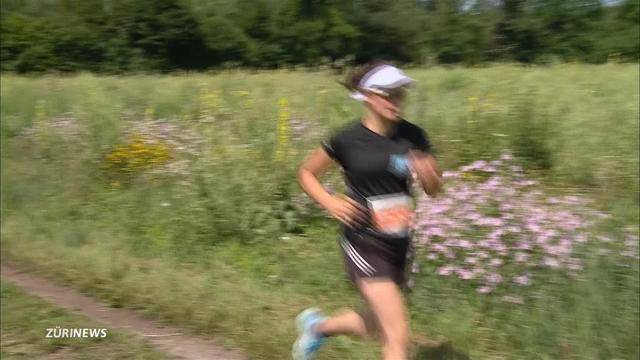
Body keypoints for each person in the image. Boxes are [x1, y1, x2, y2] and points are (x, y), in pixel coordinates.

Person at [292, 60, 443, 360]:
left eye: (399, 94)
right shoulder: (347, 139)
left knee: (375, 324)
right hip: (363, 239)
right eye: (388, 94)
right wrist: (330, 201)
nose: (396, 101)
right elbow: (306, 173)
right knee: (397, 335)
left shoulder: (414, 136)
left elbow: (434, 188)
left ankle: (318, 328)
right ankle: (319, 329)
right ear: (368, 96)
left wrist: (429, 175)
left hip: (399, 241)